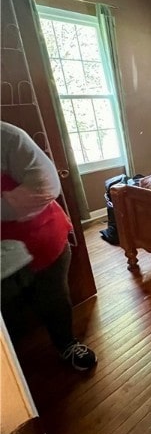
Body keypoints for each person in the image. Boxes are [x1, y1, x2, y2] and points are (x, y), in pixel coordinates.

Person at [1, 121, 97, 371]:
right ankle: (12, 370)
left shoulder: (8, 137)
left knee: (54, 299)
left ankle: (65, 344)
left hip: (43, 238)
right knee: (8, 315)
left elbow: (44, 186)